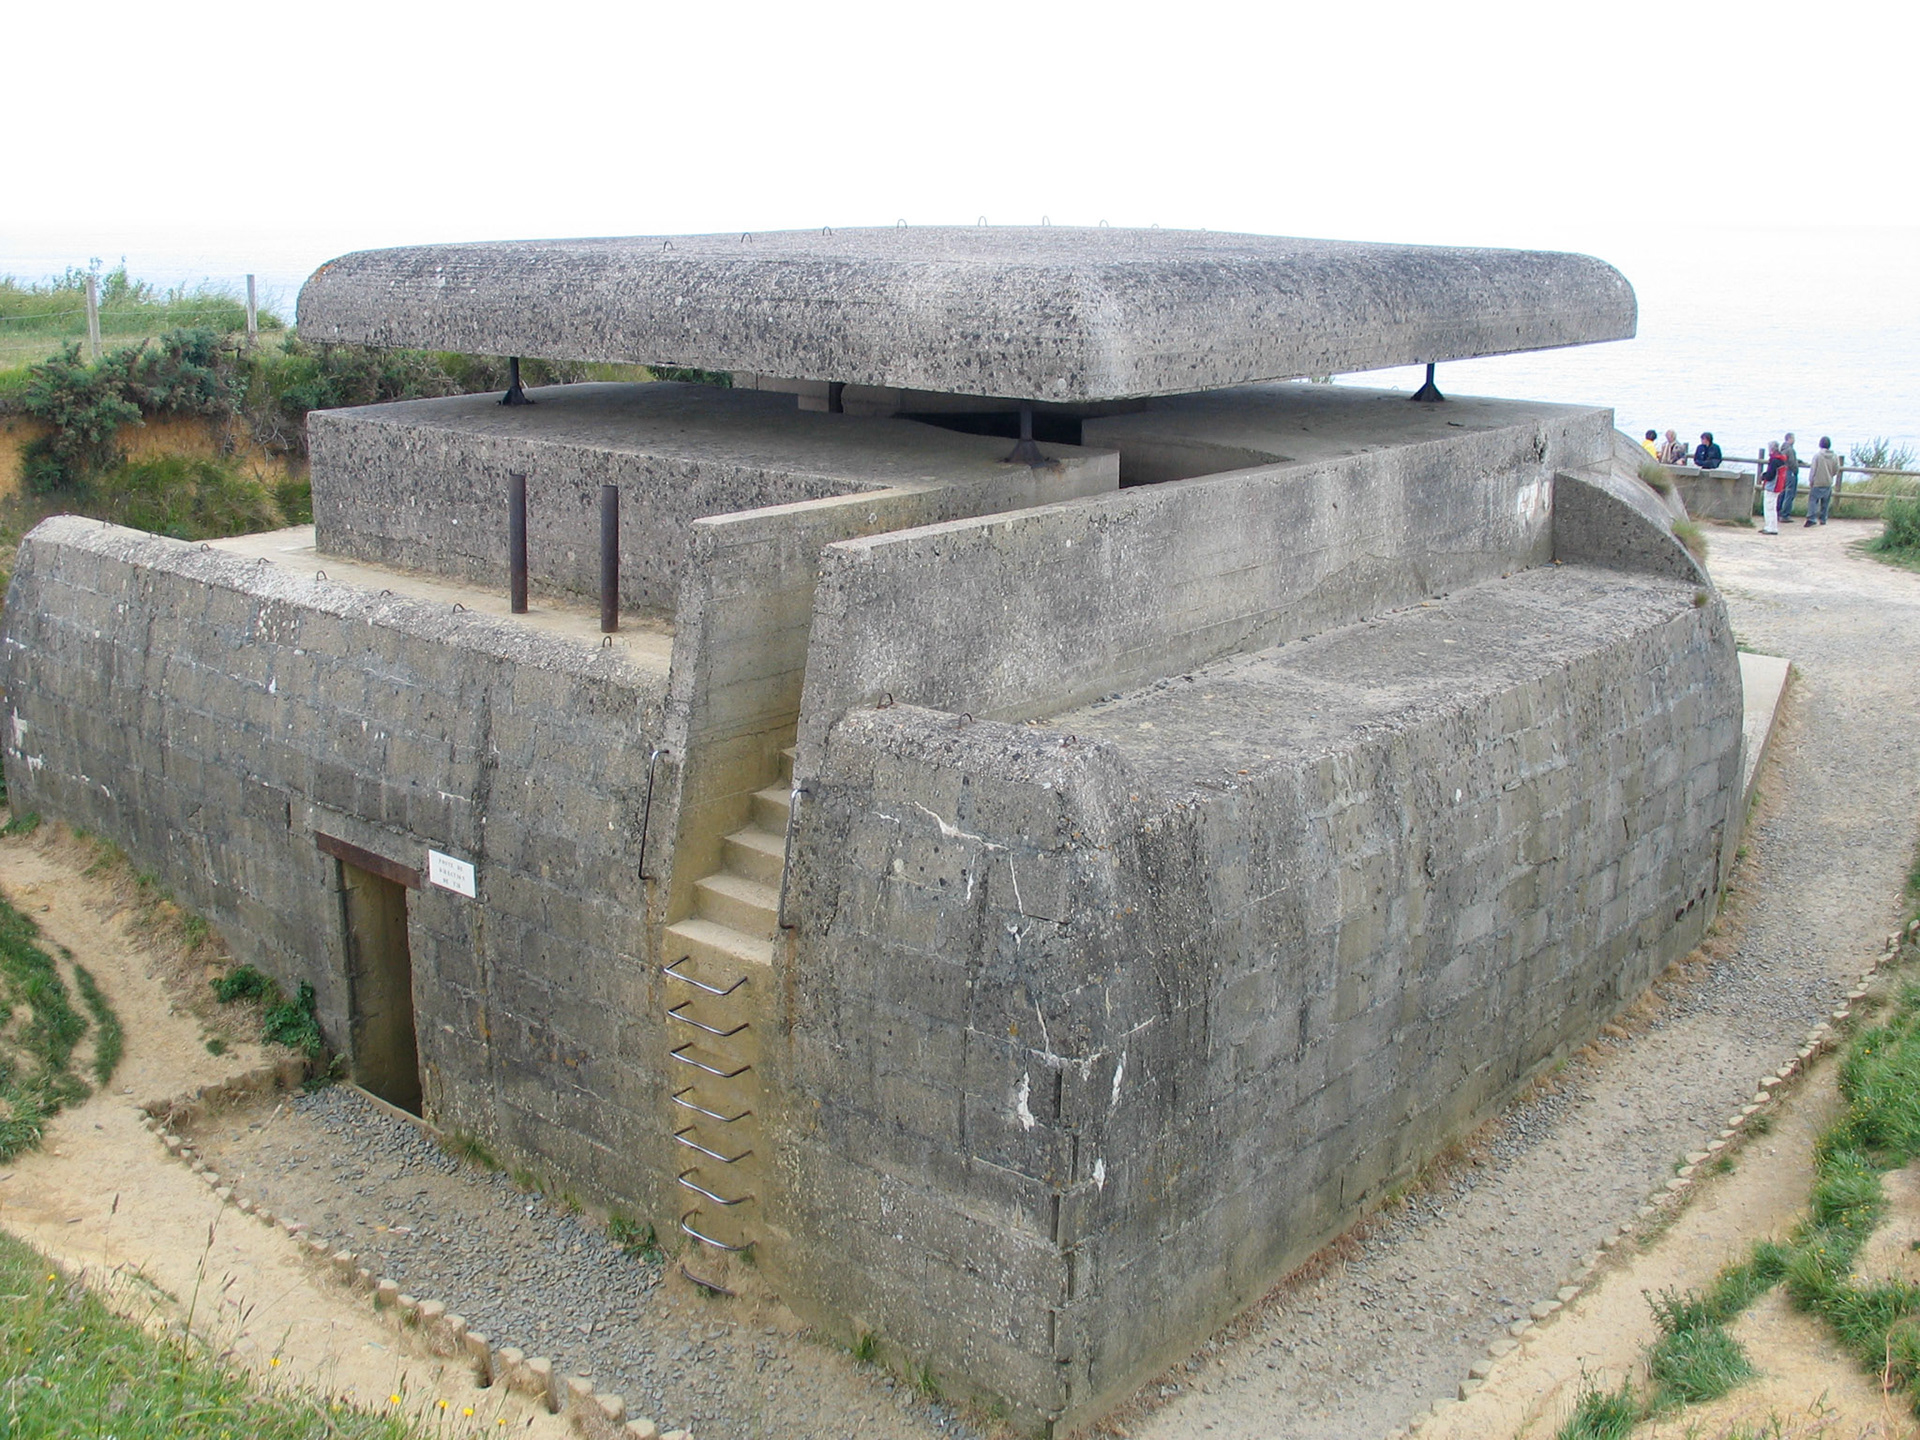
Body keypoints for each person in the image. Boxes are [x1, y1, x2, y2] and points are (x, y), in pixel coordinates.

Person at [1806, 436, 1840, 526]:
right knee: (1825, 502)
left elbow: (1813, 469)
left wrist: (1811, 479)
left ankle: (1812, 518)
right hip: (1828, 481)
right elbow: (1836, 469)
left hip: (1817, 481)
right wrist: (1831, 475)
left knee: (1813, 500)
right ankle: (1823, 519)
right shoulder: (1834, 456)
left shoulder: (1817, 456)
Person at [1760, 443, 1785, 534]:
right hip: (1777, 486)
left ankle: (1771, 527)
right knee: (1772, 507)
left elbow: (1770, 475)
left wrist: (1763, 476)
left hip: (1772, 487)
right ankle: (1771, 526)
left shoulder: (1774, 461)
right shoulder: (1781, 460)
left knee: (1769, 507)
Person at [1779, 432, 1802, 522]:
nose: (1794, 440)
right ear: (1789, 439)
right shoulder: (1790, 450)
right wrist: (1795, 470)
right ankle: (1785, 514)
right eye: (1793, 438)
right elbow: (1792, 462)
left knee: (1784, 492)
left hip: (1784, 472)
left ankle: (1780, 511)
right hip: (1790, 472)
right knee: (1790, 493)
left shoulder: (1783, 449)